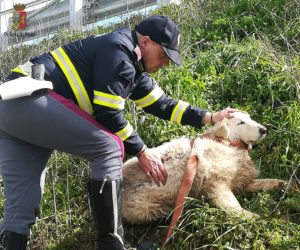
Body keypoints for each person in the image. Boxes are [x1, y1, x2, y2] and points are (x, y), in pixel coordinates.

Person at [0, 15, 240, 250]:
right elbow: (108, 113)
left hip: (9, 109)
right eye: (164, 54)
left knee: (21, 207)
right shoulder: (119, 53)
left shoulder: (130, 65)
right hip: (32, 99)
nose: (165, 63)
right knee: (109, 147)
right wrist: (142, 151)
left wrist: (209, 117)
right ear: (145, 42)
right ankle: (112, 244)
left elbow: (163, 104)